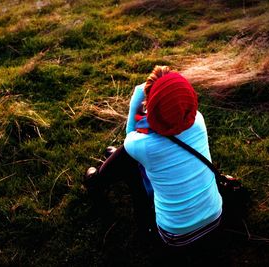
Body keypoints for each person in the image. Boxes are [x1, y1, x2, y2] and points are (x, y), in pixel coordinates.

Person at [84, 65, 223, 261]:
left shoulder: (142, 145)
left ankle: (96, 182)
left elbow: (131, 137)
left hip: (176, 237)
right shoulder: (198, 120)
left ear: (152, 106)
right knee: (138, 156)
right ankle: (110, 168)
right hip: (215, 217)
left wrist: (136, 101)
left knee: (130, 166)